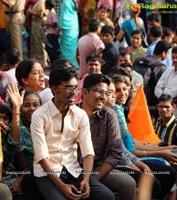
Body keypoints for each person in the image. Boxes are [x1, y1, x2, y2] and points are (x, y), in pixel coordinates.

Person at [31, 66, 115, 200]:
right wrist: (61, 186)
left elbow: (88, 153)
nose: (74, 92)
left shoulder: (80, 114)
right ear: (54, 89)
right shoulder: (39, 116)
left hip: (73, 169)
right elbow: (41, 157)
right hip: (47, 173)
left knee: (106, 196)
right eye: (69, 88)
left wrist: (86, 179)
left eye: (76, 88)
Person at [81, 74, 137, 199]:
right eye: (99, 92)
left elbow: (115, 152)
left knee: (128, 184)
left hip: (98, 168)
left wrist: (93, 180)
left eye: (106, 93)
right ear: (85, 92)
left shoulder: (109, 115)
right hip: (73, 168)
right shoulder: (72, 113)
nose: (103, 97)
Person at [155, 46, 177, 120]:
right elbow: (157, 89)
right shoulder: (169, 70)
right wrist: (167, 91)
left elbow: (174, 92)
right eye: (173, 57)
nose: (174, 60)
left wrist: (164, 90)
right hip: (163, 114)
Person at [60, 0, 79, 69]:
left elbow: (64, 15)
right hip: (74, 25)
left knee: (66, 47)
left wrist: (61, 27)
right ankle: (72, 63)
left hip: (67, 26)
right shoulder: (73, 1)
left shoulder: (66, 2)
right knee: (72, 46)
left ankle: (65, 63)